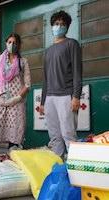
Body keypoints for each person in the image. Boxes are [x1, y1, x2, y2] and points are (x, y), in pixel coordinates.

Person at [39, 10, 82, 157]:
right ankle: (58, 170)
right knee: (55, 137)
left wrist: (76, 96)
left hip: (66, 95)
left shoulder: (72, 44)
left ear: (67, 27)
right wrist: (43, 101)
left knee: (68, 134)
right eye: (56, 24)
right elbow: (45, 78)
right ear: (51, 26)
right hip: (50, 98)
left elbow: (77, 71)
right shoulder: (48, 51)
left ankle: (75, 173)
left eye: (62, 24)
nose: (59, 26)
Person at [0, 33, 31, 152]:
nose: (12, 45)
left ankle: (12, 158)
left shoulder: (23, 62)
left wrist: (17, 98)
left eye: (15, 42)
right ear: (6, 43)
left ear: (19, 45)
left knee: (15, 132)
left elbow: (27, 84)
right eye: (9, 42)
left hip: (16, 103)